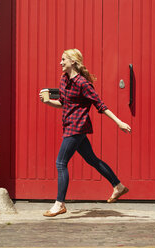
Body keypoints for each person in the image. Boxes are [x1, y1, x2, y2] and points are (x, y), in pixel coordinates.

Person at [39, 48, 131, 217]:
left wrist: (119, 122)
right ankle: (118, 186)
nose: (60, 62)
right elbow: (63, 103)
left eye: (63, 59)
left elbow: (100, 105)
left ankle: (59, 204)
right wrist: (48, 102)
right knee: (92, 159)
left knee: (61, 163)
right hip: (69, 125)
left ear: (73, 61)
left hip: (77, 126)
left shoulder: (83, 83)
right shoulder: (64, 79)